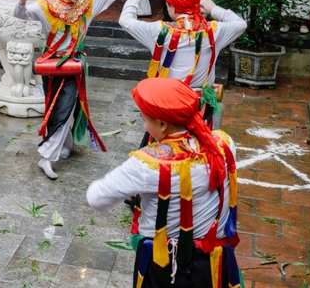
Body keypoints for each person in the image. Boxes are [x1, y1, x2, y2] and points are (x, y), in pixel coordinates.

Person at [87, 78, 240, 287]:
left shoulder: (147, 164)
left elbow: (96, 198)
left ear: (162, 124)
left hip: (166, 267)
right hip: (214, 263)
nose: (144, 126)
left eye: (144, 119)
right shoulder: (224, 143)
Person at [13, 0, 124, 179]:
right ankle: (60, 148)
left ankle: (50, 154)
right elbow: (20, 15)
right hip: (52, 66)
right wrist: (22, 0)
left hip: (74, 65)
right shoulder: (46, 6)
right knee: (58, 108)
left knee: (66, 107)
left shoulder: (87, 3)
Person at [120, 0, 246, 130]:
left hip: (169, 102)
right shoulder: (213, 31)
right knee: (199, 140)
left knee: (168, 140)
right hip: (200, 105)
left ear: (172, 8)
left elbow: (125, 20)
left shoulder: (158, 31)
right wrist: (214, 9)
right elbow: (241, 24)